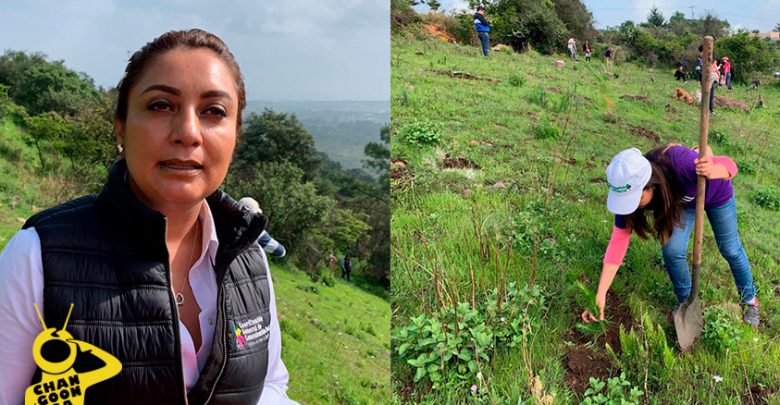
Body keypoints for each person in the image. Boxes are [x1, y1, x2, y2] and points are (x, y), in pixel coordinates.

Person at [0, 29, 297, 404]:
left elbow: (269, 385)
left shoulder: (248, 259)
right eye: (161, 105)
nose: (188, 132)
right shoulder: (37, 256)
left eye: (214, 112)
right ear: (120, 126)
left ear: (235, 135)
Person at [581, 146, 759, 328]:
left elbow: (730, 165)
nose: (632, 206)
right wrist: (600, 293)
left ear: (651, 184)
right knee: (672, 250)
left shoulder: (680, 163)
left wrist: (712, 169)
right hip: (684, 204)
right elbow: (618, 243)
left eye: (638, 198)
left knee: (730, 249)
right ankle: (688, 305)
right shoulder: (628, 194)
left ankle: (750, 301)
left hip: (717, 194)